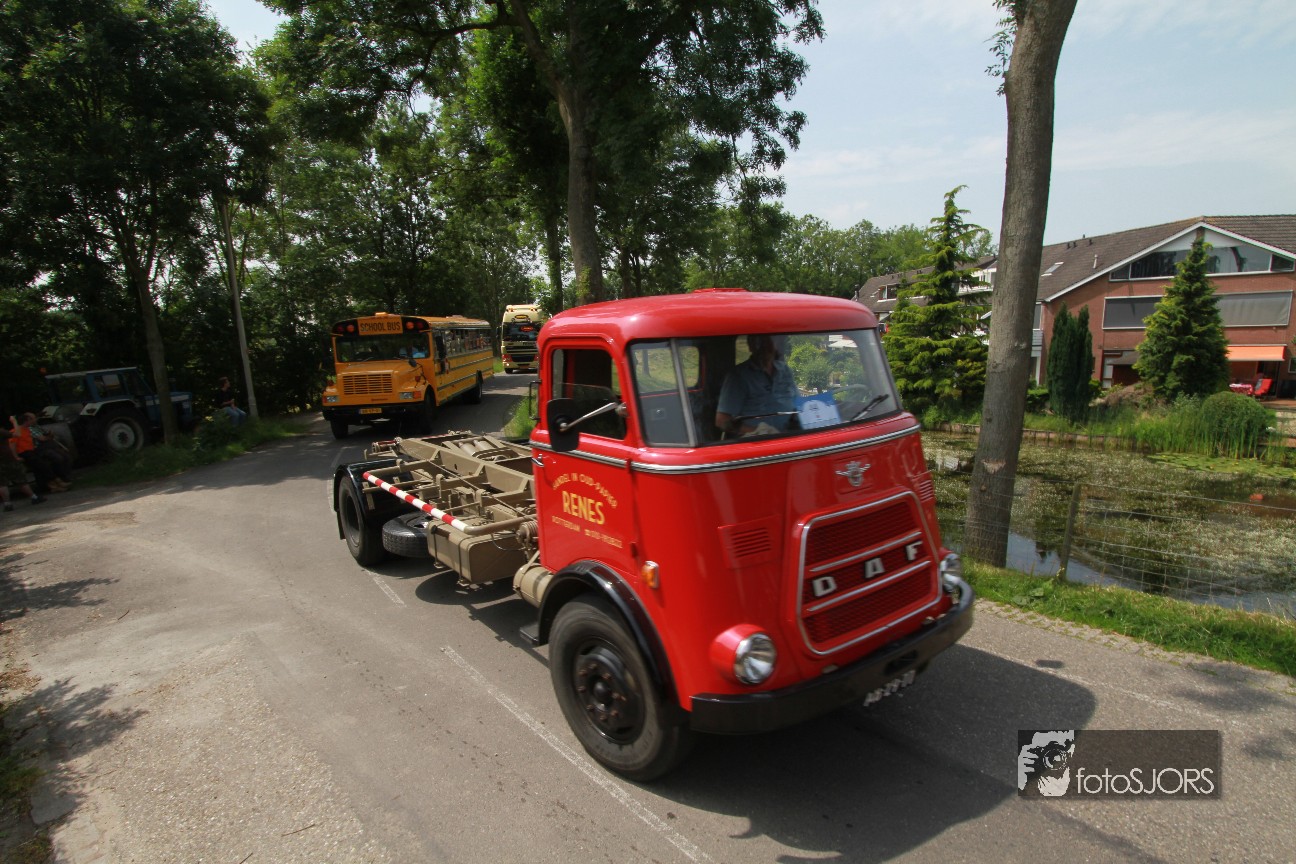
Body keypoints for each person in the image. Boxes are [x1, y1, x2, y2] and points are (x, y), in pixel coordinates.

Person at [714, 334, 798, 436]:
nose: (764, 347)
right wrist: (758, 432)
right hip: (755, 440)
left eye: (768, 342)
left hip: (789, 436)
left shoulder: (785, 371)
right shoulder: (738, 376)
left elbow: (798, 405)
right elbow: (722, 420)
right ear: (750, 346)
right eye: (758, 343)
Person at [2, 424, 45, 509]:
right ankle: (33, 497)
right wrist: (14, 422)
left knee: (2, 483)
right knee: (20, 479)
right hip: (7, 459)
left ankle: (7, 504)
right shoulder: (1, 432)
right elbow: (17, 434)